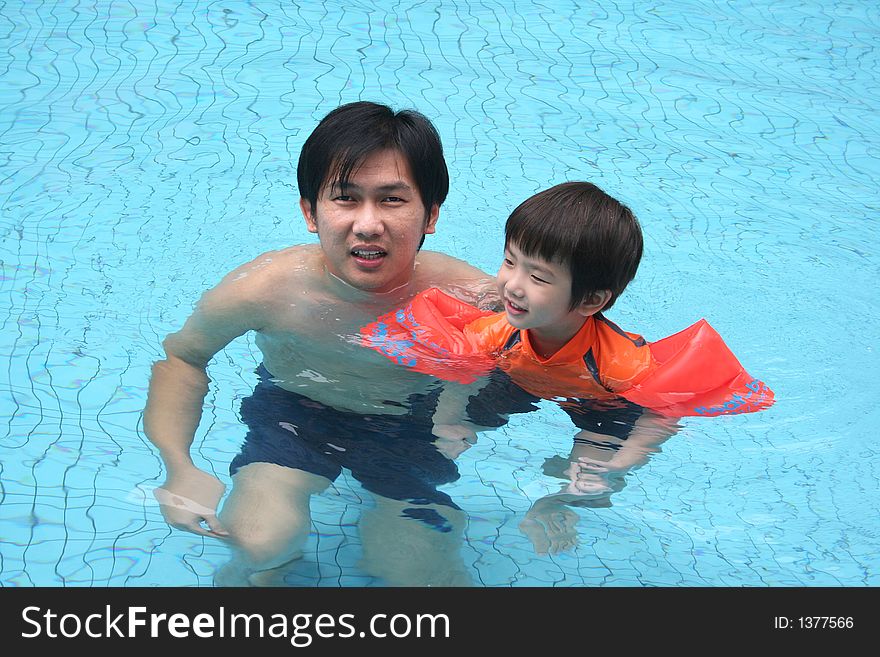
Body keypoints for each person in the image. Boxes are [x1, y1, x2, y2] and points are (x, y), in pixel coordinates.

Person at [144, 101, 498, 586]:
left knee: (416, 572)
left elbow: (543, 370)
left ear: (430, 214)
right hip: (296, 415)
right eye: (345, 199)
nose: (368, 224)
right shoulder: (268, 289)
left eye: (392, 199)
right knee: (258, 541)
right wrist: (178, 466)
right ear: (311, 212)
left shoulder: (471, 299)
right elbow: (183, 358)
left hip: (410, 428)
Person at [361, 181, 772, 553]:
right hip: (520, 380)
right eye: (510, 261)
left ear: (591, 301)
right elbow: (459, 379)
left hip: (604, 402)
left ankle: (558, 504)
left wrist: (626, 458)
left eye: (538, 277)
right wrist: (450, 421)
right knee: (434, 427)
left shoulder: (620, 364)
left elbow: (659, 415)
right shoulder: (498, 331)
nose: (512, 285)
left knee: (592, 476)